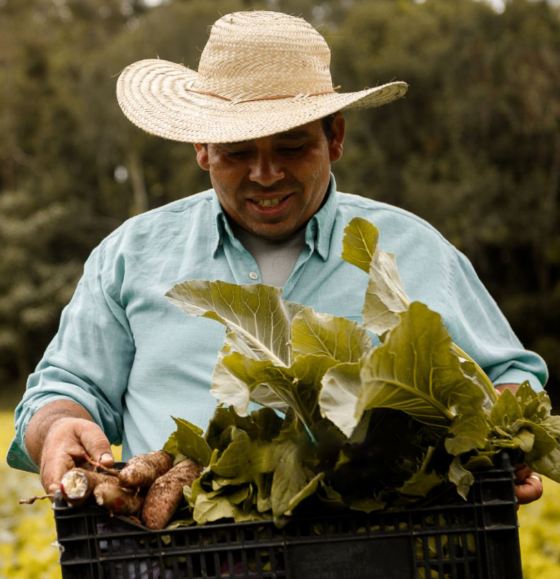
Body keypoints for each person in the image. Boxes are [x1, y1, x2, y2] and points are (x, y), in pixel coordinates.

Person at [7, 11, 545, 505]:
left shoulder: (411, 248)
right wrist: (57, 427)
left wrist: (501, 439)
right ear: (202, 148)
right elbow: (65, 388)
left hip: (387, 559)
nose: (265, 174)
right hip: (178, 576)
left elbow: (507, 374)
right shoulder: (131, 255)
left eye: (291, 146)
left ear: (334, 137)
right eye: (237, 152)